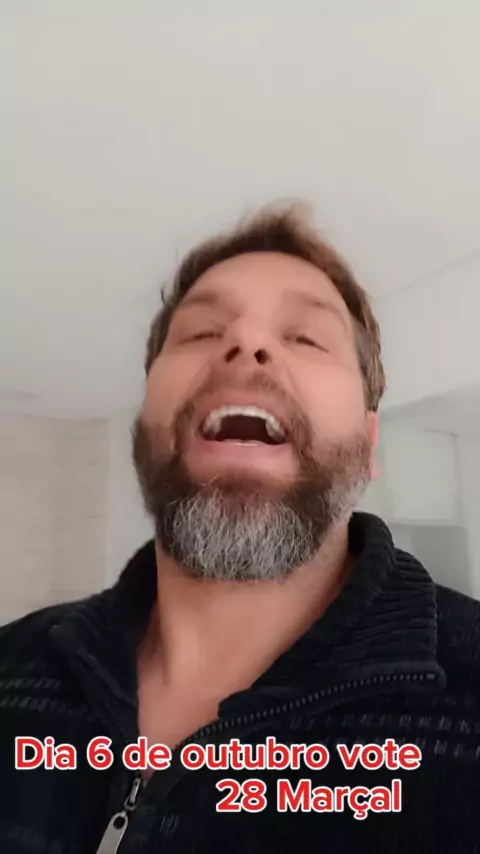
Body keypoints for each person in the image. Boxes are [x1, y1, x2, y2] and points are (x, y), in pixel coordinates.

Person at [1, 204, 479, 854]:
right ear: (143, 424)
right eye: (201, 332)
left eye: (306, 338)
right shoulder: (12, 667)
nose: (246, 343)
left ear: (369, 443)